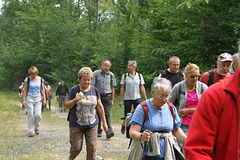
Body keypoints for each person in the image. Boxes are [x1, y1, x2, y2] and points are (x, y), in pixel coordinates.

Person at [184, 54, 240, 159]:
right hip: (202, 118)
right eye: (223, 65)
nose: (226, 68)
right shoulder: (208, 78)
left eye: (228, 65)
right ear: (217, 64)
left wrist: (192, 110)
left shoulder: (230, 78)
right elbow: (202, 98)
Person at [127, 78, 186, 160]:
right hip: (146, 155)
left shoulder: (171, 107)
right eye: (161, 96)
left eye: (167, 96)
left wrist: (186, 139)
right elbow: (132, 132)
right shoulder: (142, 108)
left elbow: (175, 129)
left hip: (167, 154)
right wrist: (141, 136)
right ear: (153, 93)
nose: (164, 99)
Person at [65, 67, 108, 160]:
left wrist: (104, 122)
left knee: (92, 147)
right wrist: (76, 99)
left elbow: (100, 107)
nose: (87, 82)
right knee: (76, 147)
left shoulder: (95, 90)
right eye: (84, 80)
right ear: (79, 79)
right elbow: (66, 105)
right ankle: (71, 157)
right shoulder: (74, 90)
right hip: (76, 124)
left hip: (92, 124)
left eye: (89, 80)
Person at [168, 63, 208, 154]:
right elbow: (167, 102)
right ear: (185, 75)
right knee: (186, 149)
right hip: (184, 124)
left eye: (197, 76)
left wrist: (190, 110)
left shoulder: (203, 87)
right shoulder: (179, 87)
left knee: (198, 150)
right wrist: (173, 114)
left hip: (200, 124)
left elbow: (209, 107)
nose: (195, 79)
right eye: (192, 76)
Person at [119, 60, 147, 134]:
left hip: (137, 97)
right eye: (128, 65)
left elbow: (142, 87)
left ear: (134, 66)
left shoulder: (139, 76)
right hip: (127, 98)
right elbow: (122, 88)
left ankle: (135, 128)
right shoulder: (124, 76)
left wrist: (145, 98)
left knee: (137, 113)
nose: (128, 67)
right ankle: (125, 125)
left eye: (130, 65)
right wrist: (120, 100)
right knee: (127, 114)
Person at [91, 60, 117, 139]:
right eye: (106, 66)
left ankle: (109, 130)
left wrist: (112, 99)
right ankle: (98, 130)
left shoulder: (111, 75)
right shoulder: (96, 73)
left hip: (107, 96)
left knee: (107, 113)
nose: (107, 68)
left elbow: (113, 87)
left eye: (109, 67)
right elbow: (92, 85)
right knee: (98, 113)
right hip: (98, 96)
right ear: (102, 65)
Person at [22, 66, 46, 137]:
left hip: (38, 99)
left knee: (38, 115)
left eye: (34, 74)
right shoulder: (27, 80)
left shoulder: (41, 79)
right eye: (31, 74)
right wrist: (24, 100)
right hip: (30, 98)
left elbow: (42, 89)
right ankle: (31, 131)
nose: (33, 76)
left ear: (36, 73)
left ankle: (37, 128)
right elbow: (25, 90)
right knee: (30, 115)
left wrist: (44, 99)